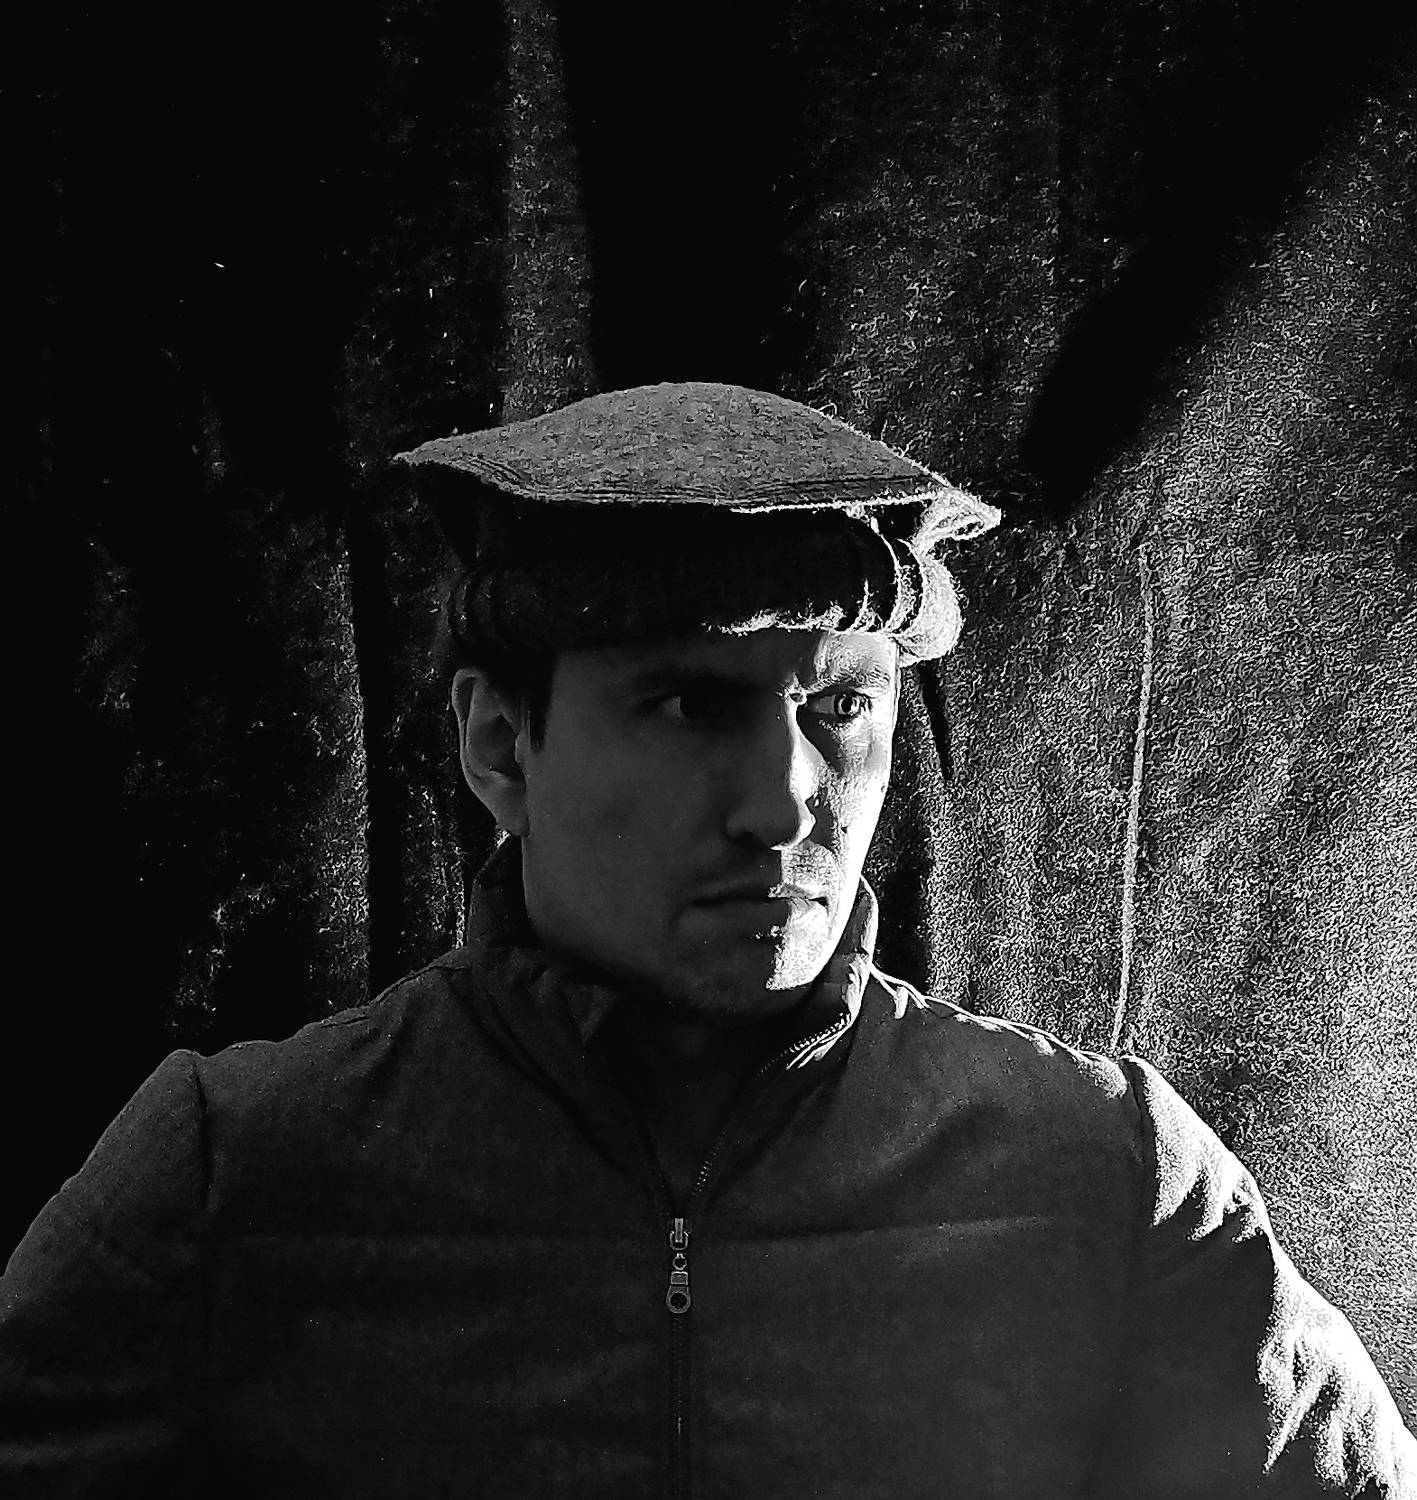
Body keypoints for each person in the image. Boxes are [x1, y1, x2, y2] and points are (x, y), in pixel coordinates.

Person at [2, 382, 1412, 1497]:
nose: (785, 800)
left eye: (839, 708)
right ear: (498, 747)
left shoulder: (1104, 1172)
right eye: (689, 704)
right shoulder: (234, 1174)